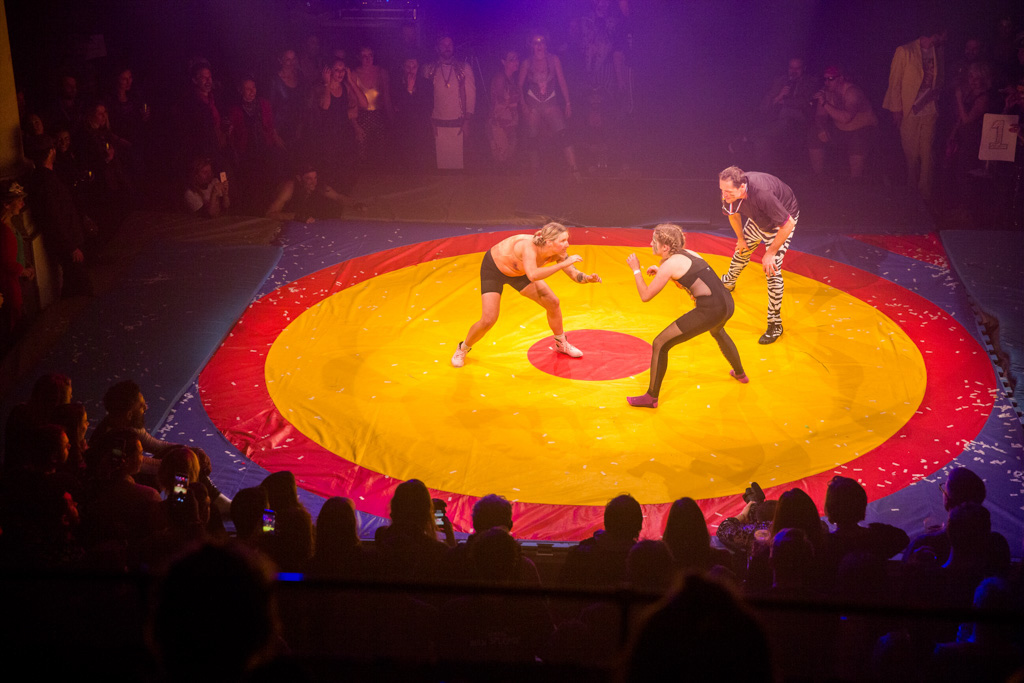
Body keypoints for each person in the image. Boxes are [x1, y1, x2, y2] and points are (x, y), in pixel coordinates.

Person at [624, 224, 746, 408]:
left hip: (711, 309)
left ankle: (651, 397)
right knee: (718, 330)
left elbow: (645, 296)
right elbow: (689, 279)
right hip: (727, 304)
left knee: (660, 343)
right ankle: (740, 373)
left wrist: (636, 269)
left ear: (665, 247)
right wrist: (663, 274)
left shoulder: (670, 264)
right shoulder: (688, 253)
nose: (651, 244)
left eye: (654, 241)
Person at [450, 222, 601, 368]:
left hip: (522, 272)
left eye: (567, 240)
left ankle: (561, 344)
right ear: (549, 242)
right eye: (563, 241)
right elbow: (534, 275)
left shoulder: (558, 253)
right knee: (489, 319)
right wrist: (563, 264)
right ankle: (462, 348)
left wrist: (588, 278)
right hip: (494, 270)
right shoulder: (528, 246)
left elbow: (574, 275)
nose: (567, 244)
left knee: (552, 302)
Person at [718, 165, 798, 344]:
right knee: (742, 250)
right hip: (758, 219)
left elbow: (788, 224)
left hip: (780, 222)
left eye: (728, 191)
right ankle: (729, 282)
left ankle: (775, 323)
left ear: (742, 187)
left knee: (771, 270)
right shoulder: (730, 193)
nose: (724, 195)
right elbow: (733, 215)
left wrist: (770, 253)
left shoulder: (762, 194)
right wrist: (740, 238)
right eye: (722, 190)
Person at [882, 24, 948, 199]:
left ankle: (925, 192)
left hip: (930, 108)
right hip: (909, 109)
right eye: (943, 34)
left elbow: (939, 79)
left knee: (927, 150)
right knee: (911, 152)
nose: (945, 38)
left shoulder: (938, 51)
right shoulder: (905, 51)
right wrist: (896, 109)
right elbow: (895, 82)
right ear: (935, 34)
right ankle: (912, 189)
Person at [518, 32, 580, 177]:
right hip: (532, 102)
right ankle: (535, 170)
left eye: (542, 42)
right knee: (532, 137)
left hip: (550, 101)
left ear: (546, 44)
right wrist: (523, 106)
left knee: (564, 133)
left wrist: (568, 103)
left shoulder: (554, 60)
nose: (539, 45)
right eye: (535, 42)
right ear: (531, 46)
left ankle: (574, 168)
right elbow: (519, 86)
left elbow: (562, 81)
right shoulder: (527, 62)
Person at [809, 65, 878, 180]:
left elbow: (846, 118)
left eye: (830, 79)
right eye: (825, 79)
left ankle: (855, 179)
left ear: (840, 79)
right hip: (841, 130)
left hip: (863, 129)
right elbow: (820, 116)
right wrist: (821, 128)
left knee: (859, 139)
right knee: (814, 133)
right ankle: (819, 176)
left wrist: (824, 103)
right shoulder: (826, 93)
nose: (827, 82)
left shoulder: (852, 92)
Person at [423, 36, 476, 170]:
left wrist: (467, 120)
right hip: (437, 124)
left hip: (458, 123)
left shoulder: (464, 68)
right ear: (437, 47)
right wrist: (429, 122)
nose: (447, 47)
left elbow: (471, 95)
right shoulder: (429, 70)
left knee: (458, 166)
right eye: (444, 44)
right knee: (440, 166)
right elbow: (425, 99)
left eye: (450, 44)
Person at [265, 166, 357, 222]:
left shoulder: (318, 185)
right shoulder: (289, 188)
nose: (313, 182)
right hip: (282, 224)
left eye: (315, 178)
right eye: (308, 179)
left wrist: (355, 204)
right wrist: (295, 216)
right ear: (299, 178)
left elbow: (338, 197)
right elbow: (270, 214)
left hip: (301, 221)